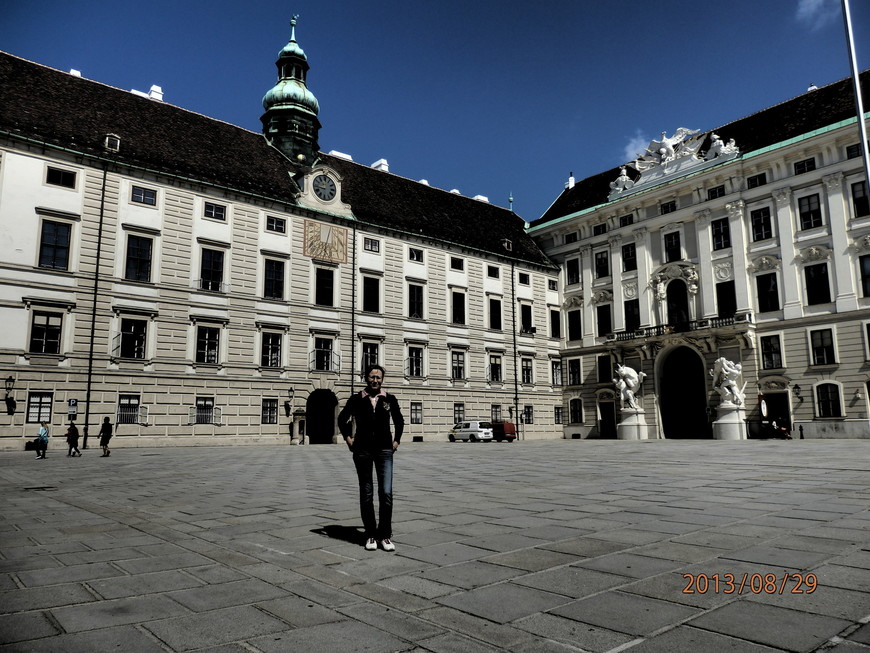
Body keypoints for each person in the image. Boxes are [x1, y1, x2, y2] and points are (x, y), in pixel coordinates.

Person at [338, 365, 405, 552]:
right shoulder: (356, 399)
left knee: (386, 493)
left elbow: (399, 421)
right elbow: (342, 419)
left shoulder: (389, 399)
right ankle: (370, 534)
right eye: (372, 377)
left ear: (382, 380)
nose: (375, 380)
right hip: (363, 450)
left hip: (384, 450)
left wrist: (396, 441)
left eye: (378, 377)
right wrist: (348, 439)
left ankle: (384, 535)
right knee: (367, 493)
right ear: (365, 378)